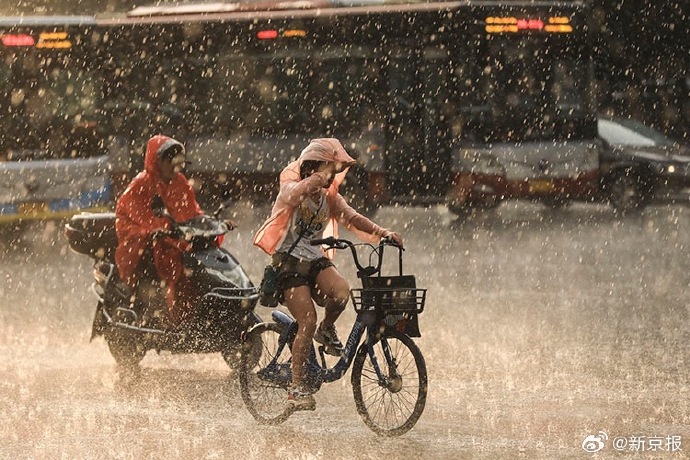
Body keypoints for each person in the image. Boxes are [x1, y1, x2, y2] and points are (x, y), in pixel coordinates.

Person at [253, 138, 403, 410]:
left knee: (342, 291)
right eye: (328, 168)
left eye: (334, 170)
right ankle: (296, 389)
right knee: (306, 320)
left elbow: (352, 217)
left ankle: (328, 328)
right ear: (312, 166)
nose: (332, 175)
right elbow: (292, 194)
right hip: (289, 264)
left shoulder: (328, 196)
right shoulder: (291, 188)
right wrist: (313, 180)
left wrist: (383, 233)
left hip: (314, 260)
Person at [115, 135, 202, 328]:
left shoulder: (180, 182)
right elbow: (142, 217)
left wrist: (209, 223)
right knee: (162, 261)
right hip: (141, 239)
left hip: (172, 236)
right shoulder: (141, 184)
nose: (175, 167)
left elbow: (192, 212)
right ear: (157, 160)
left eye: (177, 162)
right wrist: (160, 228)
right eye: (169, 161)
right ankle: (158, 313)